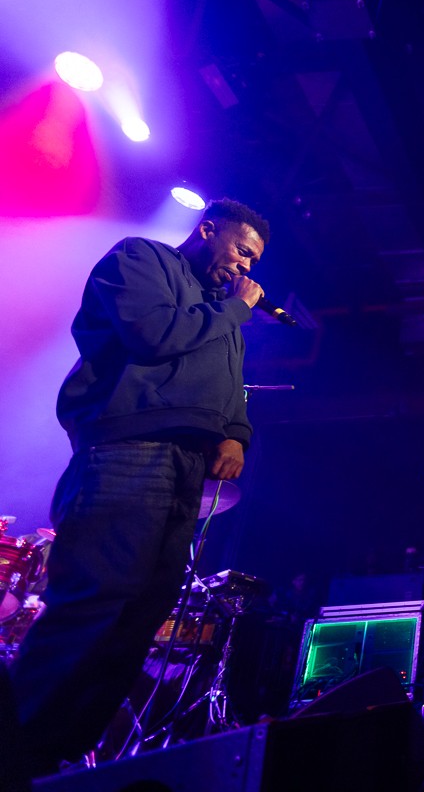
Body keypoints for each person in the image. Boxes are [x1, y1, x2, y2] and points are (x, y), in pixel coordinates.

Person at [8, 199, 270, 776]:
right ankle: (12, 752)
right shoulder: (140, 258)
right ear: (208, 232)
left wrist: (236, 436)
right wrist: (233, 312)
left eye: (253, 259)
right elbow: (152, 336)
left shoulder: (217, 307)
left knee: (138, 618)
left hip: (186, 463)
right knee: (95, 602)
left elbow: (230, 385)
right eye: (241, 250)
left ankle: (53, 761)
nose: (246, 267)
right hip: (129, 450)